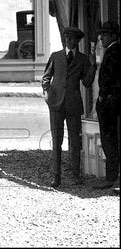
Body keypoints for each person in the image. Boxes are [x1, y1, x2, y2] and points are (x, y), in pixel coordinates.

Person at [42, 26, 96, 187]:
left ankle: (75, 175)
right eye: (67, 38)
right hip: (56, 104)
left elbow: (86, 83)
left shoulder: (83, 59)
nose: (69, 40)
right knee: (56, 141)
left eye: (72, 38)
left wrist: (93, 66)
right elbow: (46, 77)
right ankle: (56, 176)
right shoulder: (56, 56)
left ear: (78, 41)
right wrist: (46, 93)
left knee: (75, 141)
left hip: (73, 105)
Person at [92, 21, 120, 189]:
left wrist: (103, 98)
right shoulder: (112, 51)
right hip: (113, 102)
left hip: (111, 103)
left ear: (114, 36)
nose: (102, 38)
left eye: (106, 34)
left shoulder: (113, 52)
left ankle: (111, 178)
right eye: (102, 34)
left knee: (109, 140)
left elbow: (109, 80)